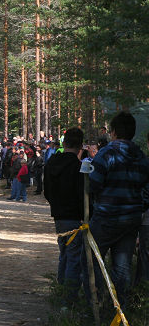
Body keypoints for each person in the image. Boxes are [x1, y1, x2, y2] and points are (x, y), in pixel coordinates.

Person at [84, 111, 149, 308]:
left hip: (107, 216)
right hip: (131, 219)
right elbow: (146, 189)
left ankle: (95, 306)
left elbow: (93, 184)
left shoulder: (107, 153)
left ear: (113, 132)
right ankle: (119, 309)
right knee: (123, 267)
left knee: (92, 261)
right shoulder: (140, 156)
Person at [44, 127, 85, 306]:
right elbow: (82, 194)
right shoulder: (78, 167)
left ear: (64, 142)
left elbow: (47, 191)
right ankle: (69, 299)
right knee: (73, 258)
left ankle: (61, 290)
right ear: (80, 146)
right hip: (74, 217)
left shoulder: (52, 162)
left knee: (65, 254)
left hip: (59, 216)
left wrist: (56, 205)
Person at [137, 131, 149, 286]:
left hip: (146, 219)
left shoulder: (144, 164)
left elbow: (143, 193)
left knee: (145, 255)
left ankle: (143, 292)